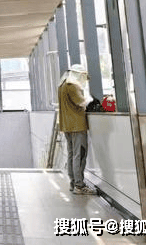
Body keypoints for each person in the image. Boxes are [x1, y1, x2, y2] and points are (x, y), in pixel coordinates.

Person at [58, 63, 97, 195]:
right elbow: (81, 102)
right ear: (79, 75)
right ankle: (79, 185)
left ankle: (73, 182)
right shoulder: (72, 85)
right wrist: (91, 100)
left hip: (67, 126)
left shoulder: (62, 85)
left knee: (71, 155)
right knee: (79, 155)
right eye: (83, 76)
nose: (83, 79)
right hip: (77, 126)